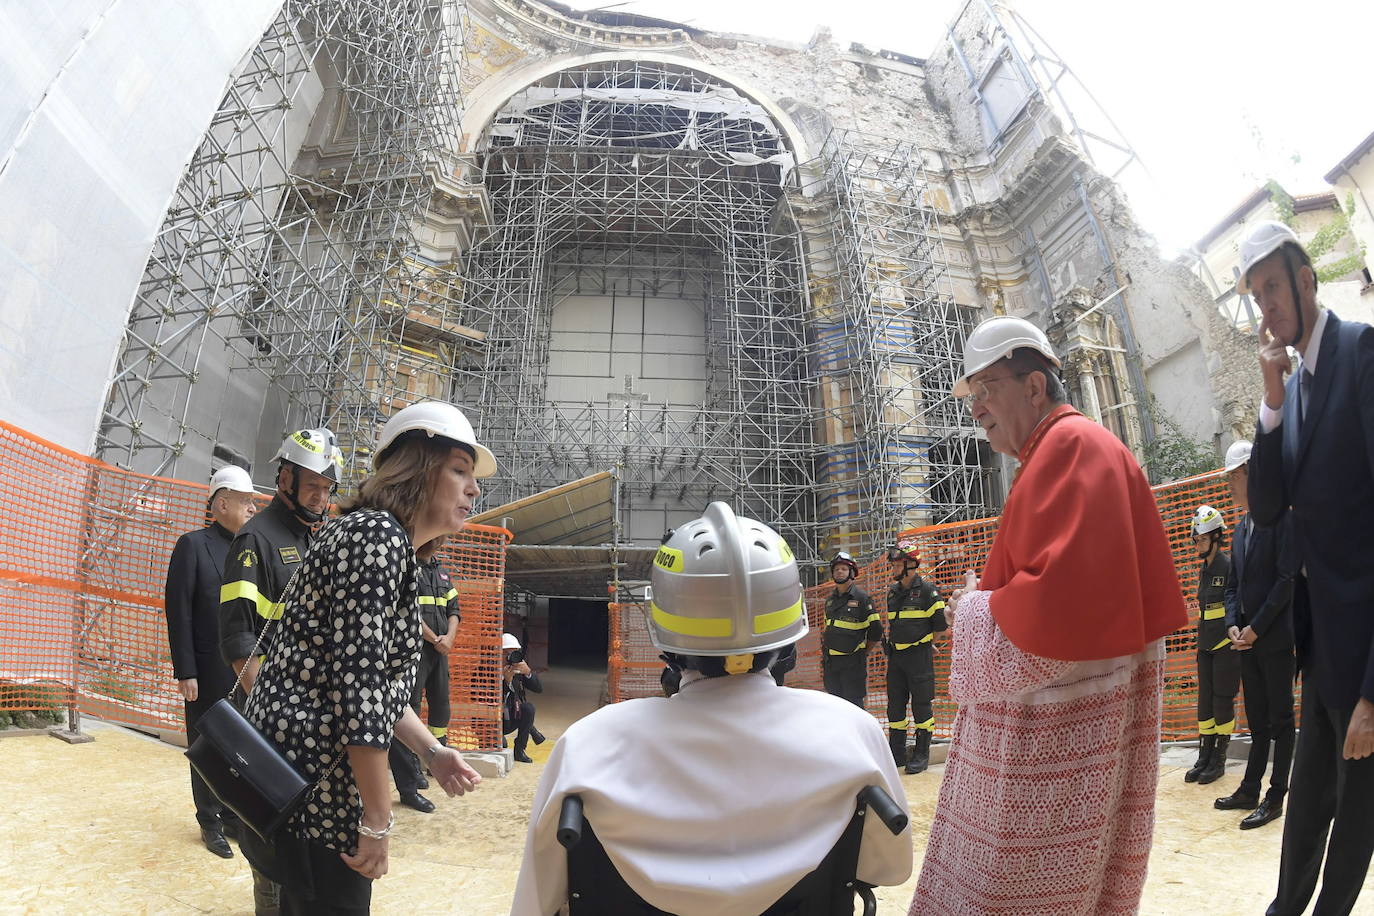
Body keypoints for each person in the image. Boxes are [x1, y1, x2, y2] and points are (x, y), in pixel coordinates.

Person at [909, 316, 1187, 916]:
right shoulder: (1062, 450)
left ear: (1034, 386)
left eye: (986, 390)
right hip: (1071, 731)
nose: (975, 409)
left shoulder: (1069, 448)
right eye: (971, 396)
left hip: (1052, 742)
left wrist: (973, 608)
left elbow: (1056, 617)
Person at [512, 502, 911, 916]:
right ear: (790, 629)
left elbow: (537, 901)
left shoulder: (589, 744)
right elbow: (889, 867)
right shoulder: (852, 731)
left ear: (662, 632)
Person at [236, 401, 493, 915]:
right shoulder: (376, 539)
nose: (474, 489)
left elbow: (374, 684)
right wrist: (377, 820)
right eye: (459, 470)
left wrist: (433, 752)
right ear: (417, 470)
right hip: (313, 794)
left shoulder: (380, 540)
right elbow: (360, 692)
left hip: (299, 782)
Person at [1243, 219, 1374, 915]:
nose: (1266, 307)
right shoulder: (1291, 395)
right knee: (1305, 813)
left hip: (1367, 658)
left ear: (1305, 279)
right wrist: (1270, 401)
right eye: (1255, 296)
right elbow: (1267, 510)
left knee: (1356, 820)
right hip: (1320, 650)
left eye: (1273, 287)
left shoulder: (1361, 353)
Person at [163, 465, 257, 858]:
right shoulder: (193, 545)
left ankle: (232, 815)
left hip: (243, 671)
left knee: (237, 748)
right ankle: (209, 821)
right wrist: (186, 671)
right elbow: (179, 611)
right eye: (245, 501)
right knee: (206, 747)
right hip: (205, 670)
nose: (252, 508)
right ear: (221, 505)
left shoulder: (250, 550)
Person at [219, 428, 342, 697]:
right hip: (269, 695)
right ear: (286, 479)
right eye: (312, 485)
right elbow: (238, 634)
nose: (321, 497)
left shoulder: (307, 538)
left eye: (327, 488)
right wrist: (262, 703)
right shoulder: (255, 539)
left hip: (300, 695)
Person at [1214, 439, 1295, 829]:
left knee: (1281, 719)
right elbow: (1233, 586)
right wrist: (1233, 623)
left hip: (1273, 640)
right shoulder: (1242, 528)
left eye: (1232, 476)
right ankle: (1250, 788)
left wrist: (1256, 628)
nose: (1229, 484)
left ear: (1248, 472)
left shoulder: (1280, 519)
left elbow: (1286, 580)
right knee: (1258, 719)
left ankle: (1276, 795)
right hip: (1246, 641)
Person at [388, 556, 461, 813]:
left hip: (440, 651)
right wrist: (435, 639)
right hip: (414, 650)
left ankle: (434, 761)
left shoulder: (442, 573)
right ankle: (411, 780)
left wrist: (448, 639)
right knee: (409, 709)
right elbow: (405, 611)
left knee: (441, 706)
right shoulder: (407, 567)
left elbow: (454, 610)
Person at [1186, 504, 1239, 786]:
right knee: (1205, 700)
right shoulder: (1204, 569)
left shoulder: (1227, 566)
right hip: (1205, 643)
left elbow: (1233, 603)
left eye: (1203, 539)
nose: (1198, 544)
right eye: (1196, 539)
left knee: (1222, 699)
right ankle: (1204, 755)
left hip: (1224, 644)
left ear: (1217, 537)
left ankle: (1219, 758)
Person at [883, 540, 946, 775]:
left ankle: (921, 754)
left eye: (897, 564)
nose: (894, 569)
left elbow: (940, 625)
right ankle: (897, 753)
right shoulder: (893, 593)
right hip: (896, 658)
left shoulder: (928, 591)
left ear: (911, 565)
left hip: (919, 657)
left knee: (921, 706)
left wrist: (927, 644)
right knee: (895, 706)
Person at [821, 551, 880, 708]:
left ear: (852, 572)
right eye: (836, 569)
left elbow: (876, 631)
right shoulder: (829, 601)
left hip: (853, 663)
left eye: (844, 569)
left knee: (854, 706)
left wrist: (863, 652)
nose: (839, 572)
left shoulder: (862, 599)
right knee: (834, 706)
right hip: (831, 663)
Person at [502, 633, 544, 763]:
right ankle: (496, 738)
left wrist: (528, 672)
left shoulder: (517, 670)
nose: (510, 657)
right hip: (491, 722)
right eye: (506, 653)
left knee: (528, 708)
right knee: (500, 746)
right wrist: (506, 682)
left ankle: (519, 750)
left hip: (511, 717)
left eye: (514, 653)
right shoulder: (485, 671)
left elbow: (538, 689)